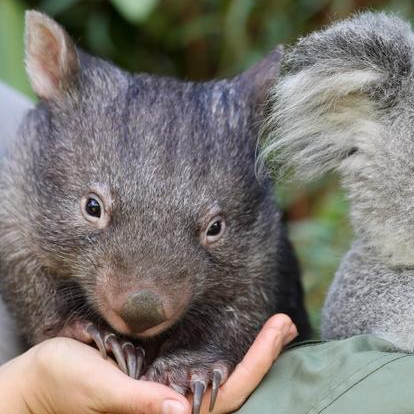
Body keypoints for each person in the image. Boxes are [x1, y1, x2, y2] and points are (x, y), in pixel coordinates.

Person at [0, 82, 298, 414]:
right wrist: (29, 392)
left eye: (213, 229)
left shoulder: (10, 115)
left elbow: (254, 268)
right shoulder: (28, 150)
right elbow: (18, 222)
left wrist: (207, 354)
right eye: (95, 210)